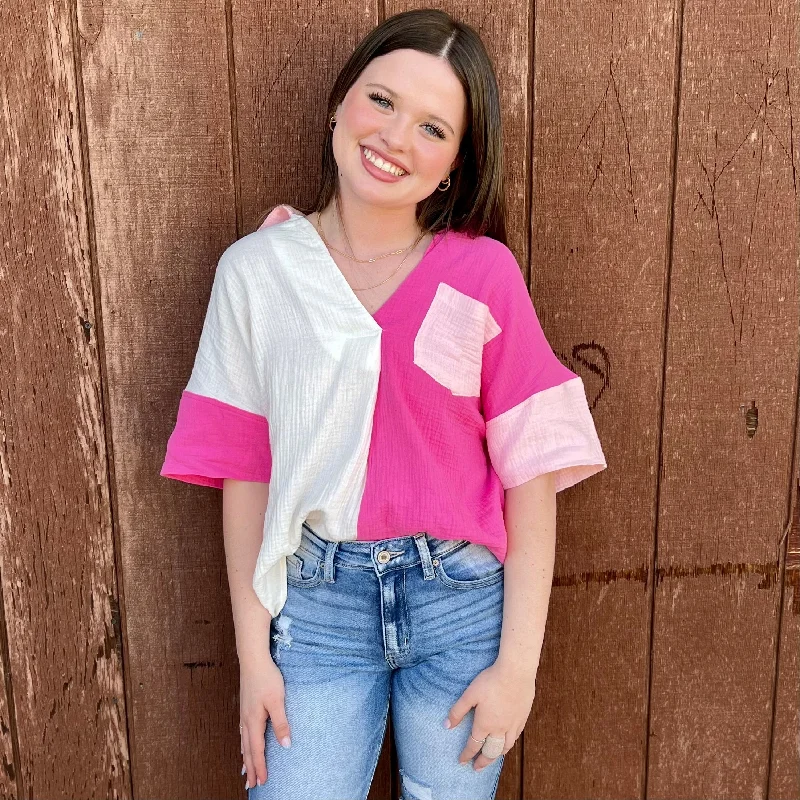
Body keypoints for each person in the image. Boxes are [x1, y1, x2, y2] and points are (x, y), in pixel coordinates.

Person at [160, 8, 606, 800]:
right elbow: (244, 473)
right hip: (317, 613)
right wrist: (254, 658)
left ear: (454, 166)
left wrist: (517, 671)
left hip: (462, 609)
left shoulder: (482, 275)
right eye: (382, 101)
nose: (396, 138)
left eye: (433, 128)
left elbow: (530, 480)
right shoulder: (259, 274)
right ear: (340, 103)